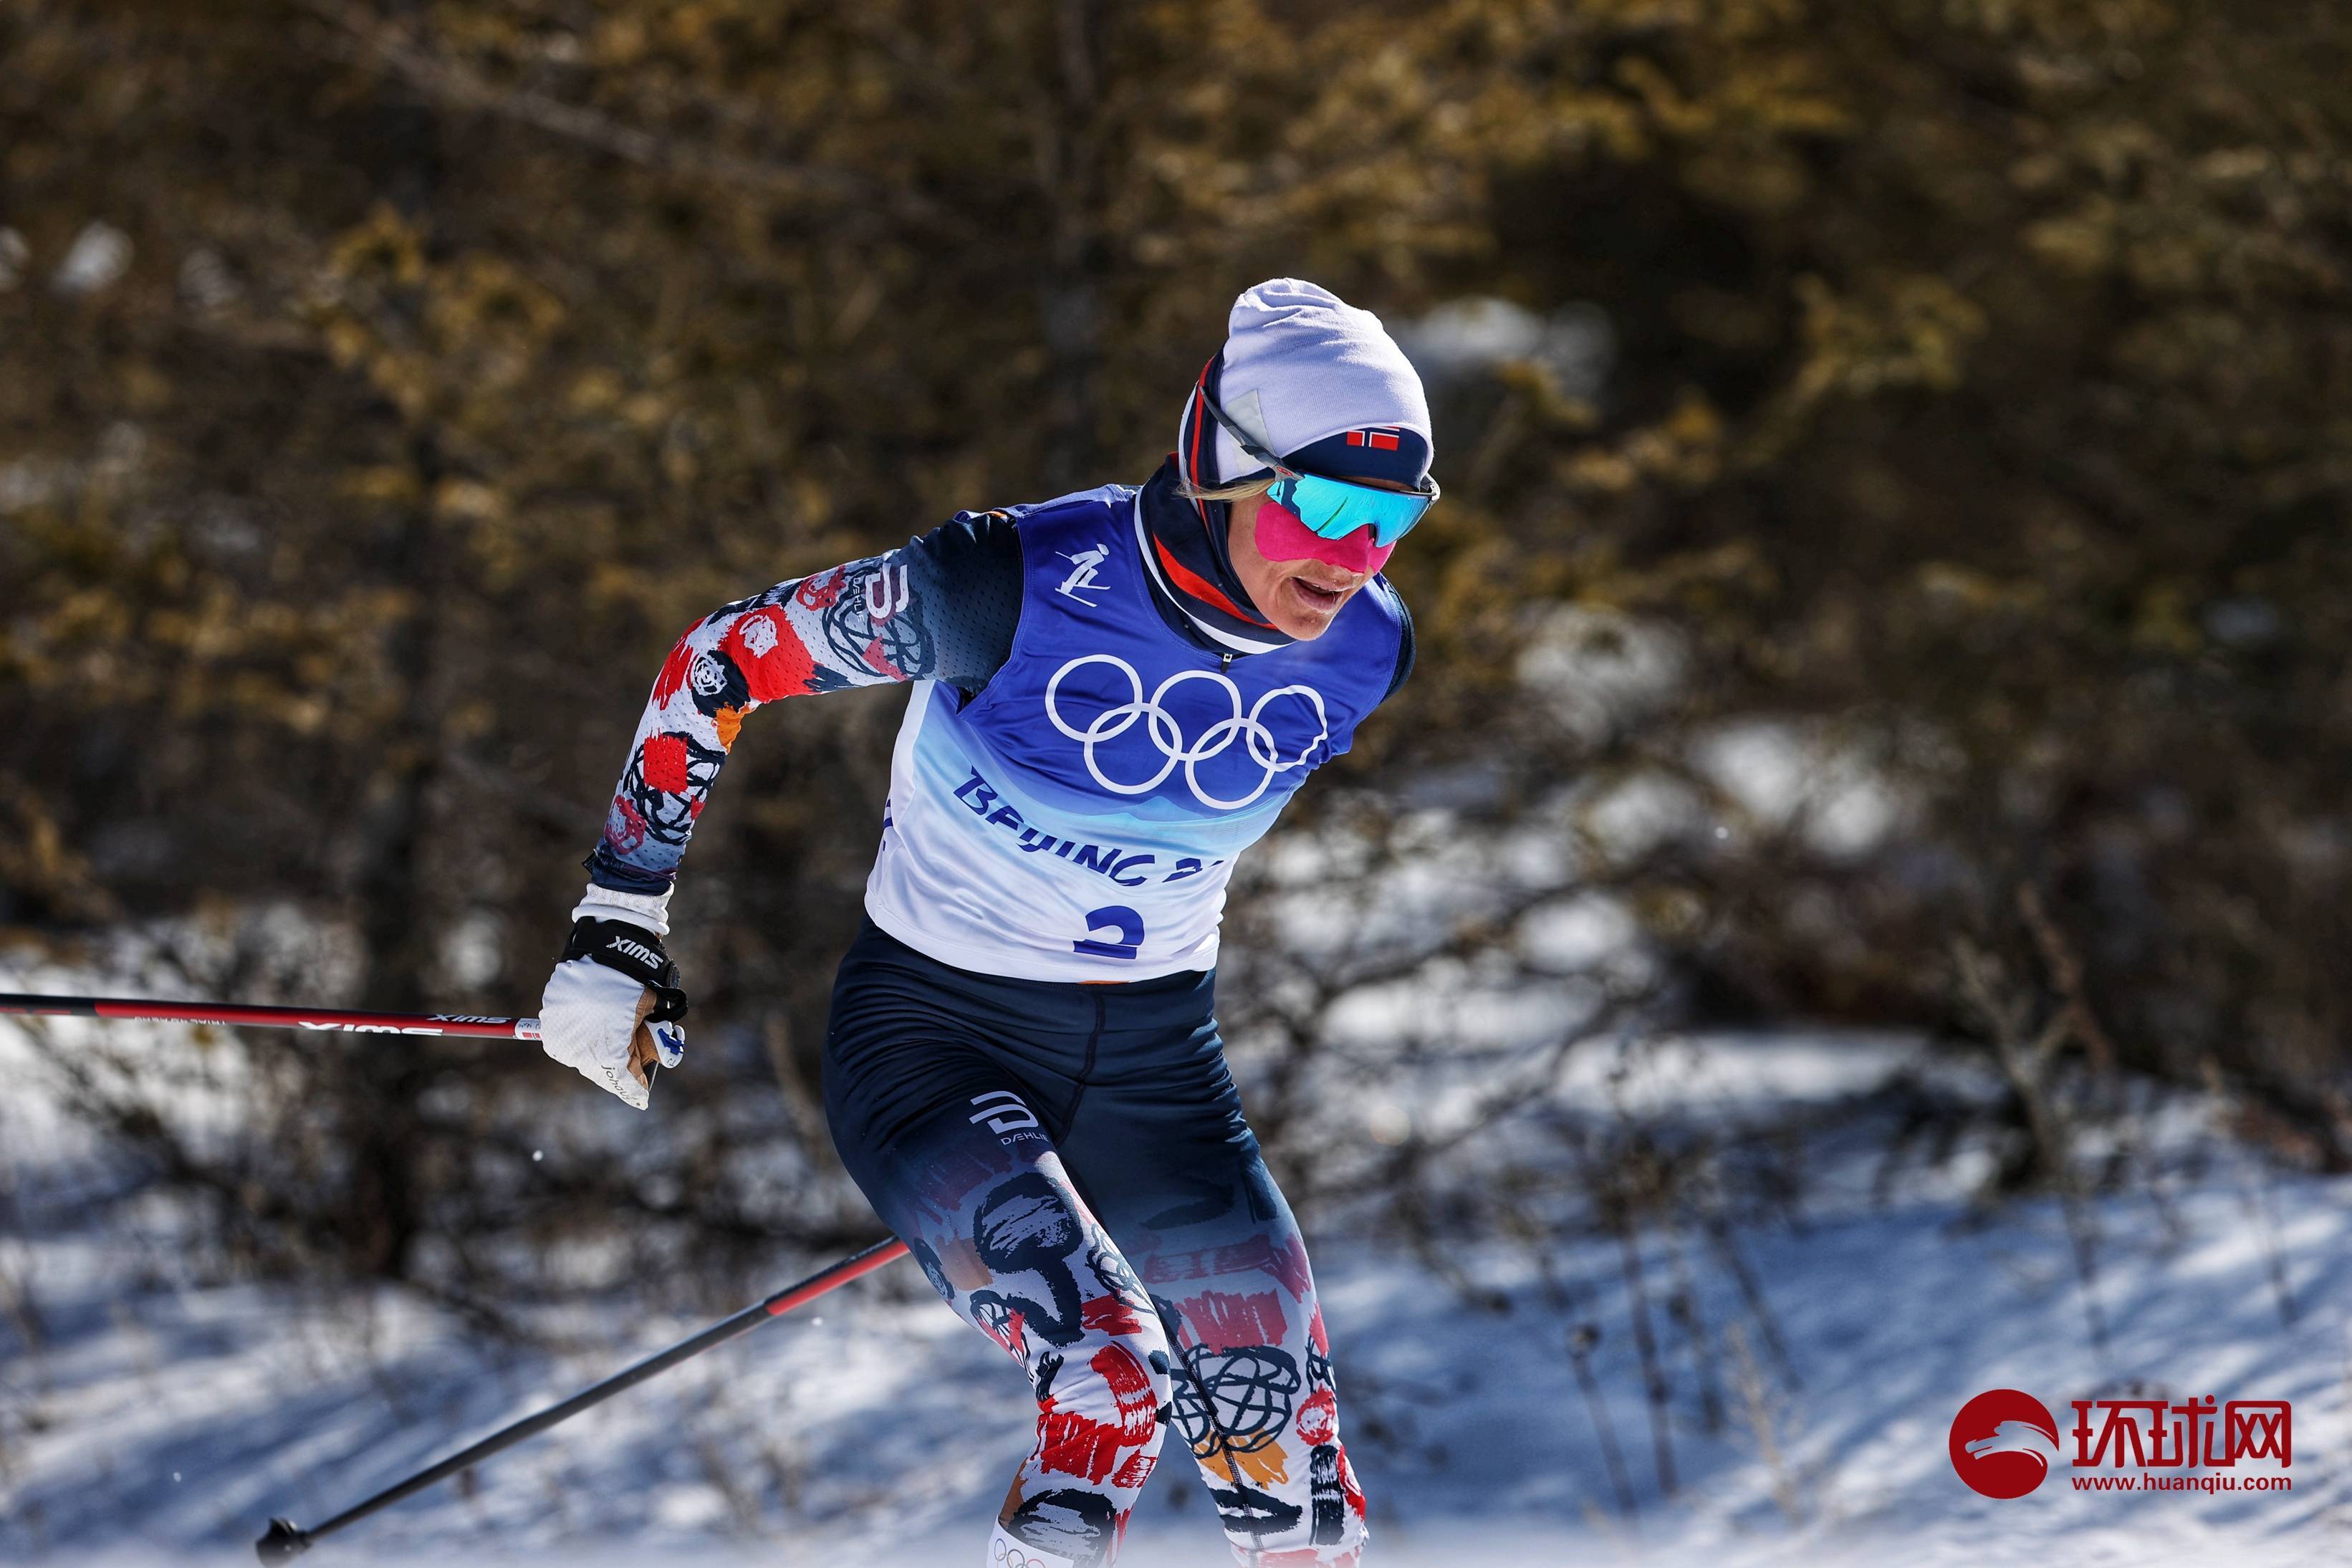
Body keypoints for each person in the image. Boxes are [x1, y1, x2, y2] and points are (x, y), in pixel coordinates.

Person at [538, 279, 1437, 1568]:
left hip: (1157, 1069)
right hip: (933, 1037)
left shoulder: (1366, 652)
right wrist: (619, 920)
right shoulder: (1004, 582)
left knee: (1292, 1471)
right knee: (1110, 1377)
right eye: (1329, 506)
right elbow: (727, 656)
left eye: (1392, 519)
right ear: (1224, 465)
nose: (1352, 560)